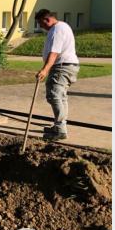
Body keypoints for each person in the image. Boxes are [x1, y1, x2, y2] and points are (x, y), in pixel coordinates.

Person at [34, 9, 80, 141]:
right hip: (66, 66)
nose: (40, 27)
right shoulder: (61, 27)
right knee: (61, 97)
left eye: (40, 24)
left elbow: (54, 52)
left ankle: (60, 130)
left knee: (54, 95)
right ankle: (59, 126)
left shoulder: (57, 30)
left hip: (62, 67)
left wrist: (45, 70)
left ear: (47, 19)